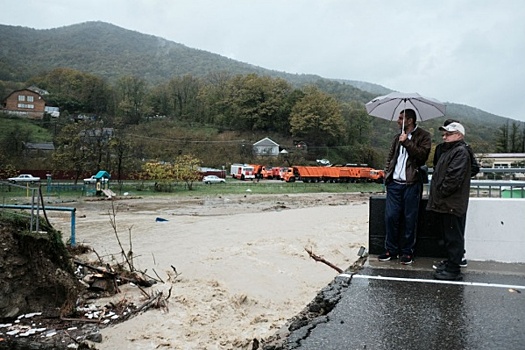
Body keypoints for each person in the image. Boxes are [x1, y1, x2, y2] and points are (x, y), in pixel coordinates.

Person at [379, 108, 432, 265]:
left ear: (410, 120)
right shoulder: (397, 138)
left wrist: (407, 142)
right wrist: (387, 173)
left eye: (401, 118)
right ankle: (390, 250)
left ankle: (407, 252)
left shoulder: (424, 136)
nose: (398, 121)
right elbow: (390, 157)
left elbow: (422, 157)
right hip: (395, 184)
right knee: (390, 217)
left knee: (410, 219)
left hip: (412, 184)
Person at [432, 119, 480, 269]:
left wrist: (441, 191)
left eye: (449, 134)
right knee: (450, 235)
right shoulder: (449, 150)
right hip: (447, 201)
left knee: (454, 235)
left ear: (459, 135)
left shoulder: (460, 151)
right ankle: (451, 262)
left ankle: (453, 268)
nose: (445, 137)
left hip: (452, 201)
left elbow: (453, 178)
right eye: (444, 134)